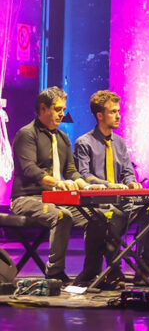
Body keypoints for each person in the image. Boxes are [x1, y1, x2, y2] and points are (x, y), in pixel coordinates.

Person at [10, 87, 109, 287]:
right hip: (27, 198)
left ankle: (90, 273)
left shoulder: (62, 138)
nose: (62, 113)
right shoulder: (27, 134)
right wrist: (57, 182)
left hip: (55, 198)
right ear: (43, 108)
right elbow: (30, 169)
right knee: (62, 216)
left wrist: (84, 185)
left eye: (63, 109)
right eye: (57, 109)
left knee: (97, 217)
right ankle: (55, 274)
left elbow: (71, 171)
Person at [73, 90, 149, 287]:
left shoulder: (120, 143)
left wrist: (131, 182)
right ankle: (113, 271)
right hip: (100, 203)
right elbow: (84, 175)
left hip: (122, 201)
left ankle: (145, 269)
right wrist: (108, 185)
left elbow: (127, 172)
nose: (118, 115)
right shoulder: (84, 142)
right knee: (112, 216)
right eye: (113, 112)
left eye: (118, 111)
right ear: (100, 115)